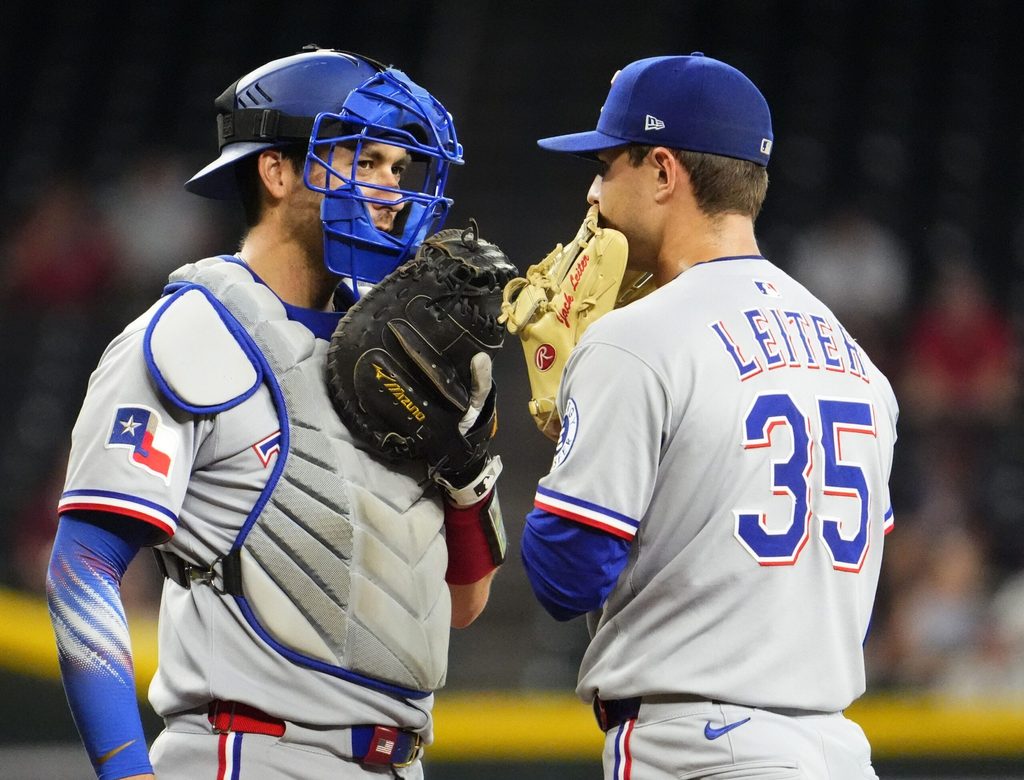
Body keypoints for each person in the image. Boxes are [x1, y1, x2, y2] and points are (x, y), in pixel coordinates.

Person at [46, 46, 504, 780]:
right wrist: (125, 770)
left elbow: (463, 605)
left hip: (400, 762)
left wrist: (468, 467)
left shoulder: (415, 357)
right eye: (364, 158)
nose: (392, 187)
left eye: (399, 166)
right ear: (277, 169)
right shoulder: (191, 335)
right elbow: (84, 567)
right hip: (251, 751)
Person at [520, 53, 898, 779]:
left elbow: (565, 575)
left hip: (696, 749)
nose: (593, 193)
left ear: (663, 170)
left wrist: (571, 434)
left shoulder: (635, 341)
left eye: (606, 164)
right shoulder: (856, 360)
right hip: (836, 749)